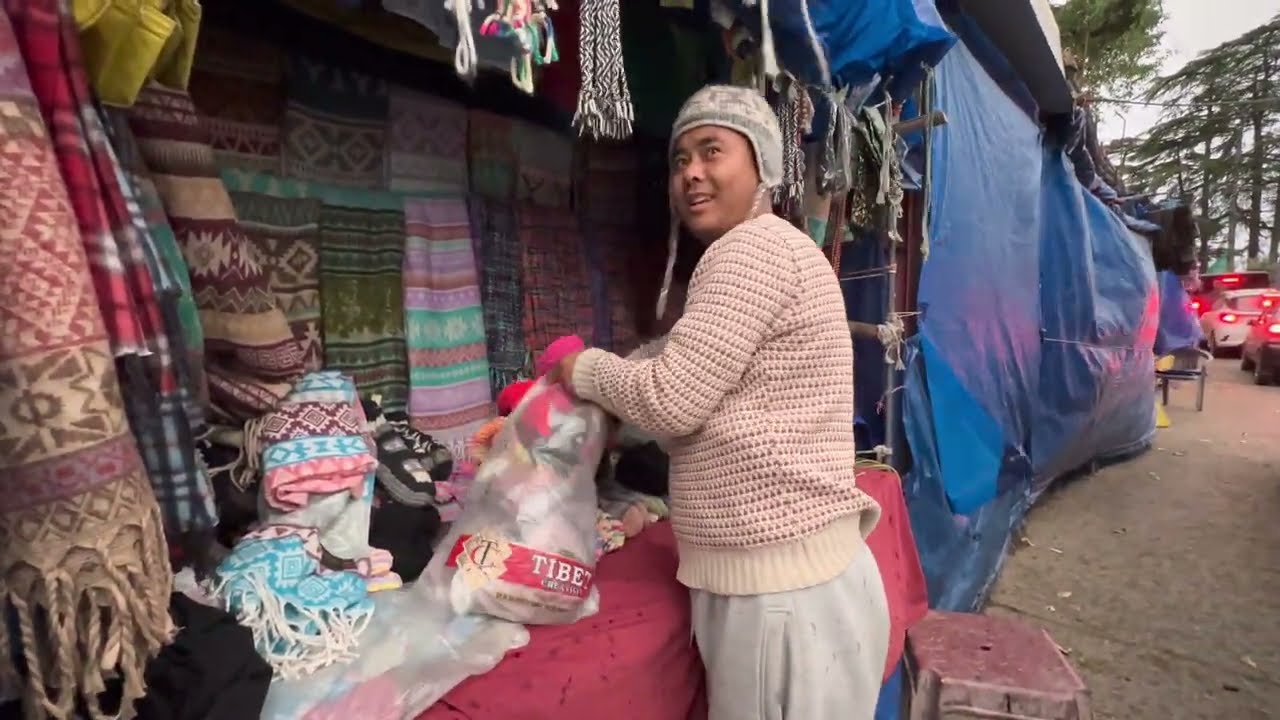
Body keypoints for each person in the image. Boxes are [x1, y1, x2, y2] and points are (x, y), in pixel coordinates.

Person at [553, 84, 890, 719]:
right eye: (680, 160)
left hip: (781, 595)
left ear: (762, 164)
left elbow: (671, 399)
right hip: (797, 585)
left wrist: (583, 370)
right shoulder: (778, 249)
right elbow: (691, 359)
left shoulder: (750, 249)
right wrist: (627, 369)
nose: (692, 174)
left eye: (712, 151)